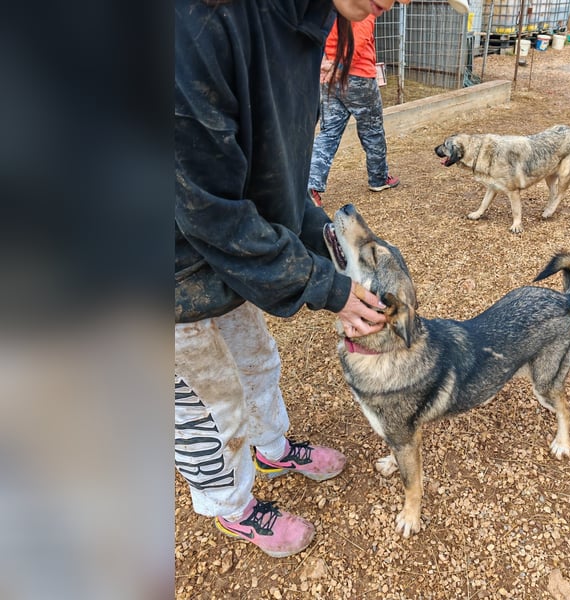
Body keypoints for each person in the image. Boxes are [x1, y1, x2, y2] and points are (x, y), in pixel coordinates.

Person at [174, 0, 414, 559]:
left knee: (256, 360)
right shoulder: (198, 23)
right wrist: (328, 288)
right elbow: (208, 209)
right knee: (207, 401)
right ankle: (230, 507)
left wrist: (319, 239)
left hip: (223, 249)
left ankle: (270, 449)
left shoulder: (311, 21)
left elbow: (274, 176)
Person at [307, 12, 398, 207]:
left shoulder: (329, 7)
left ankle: (311, 185)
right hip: (357, 76)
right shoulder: (362, 7)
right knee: (372, 130)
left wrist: (327, 64)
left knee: (328, 133)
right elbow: (360, 38)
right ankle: (378, 178)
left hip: (329, 76)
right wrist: (341, 66)